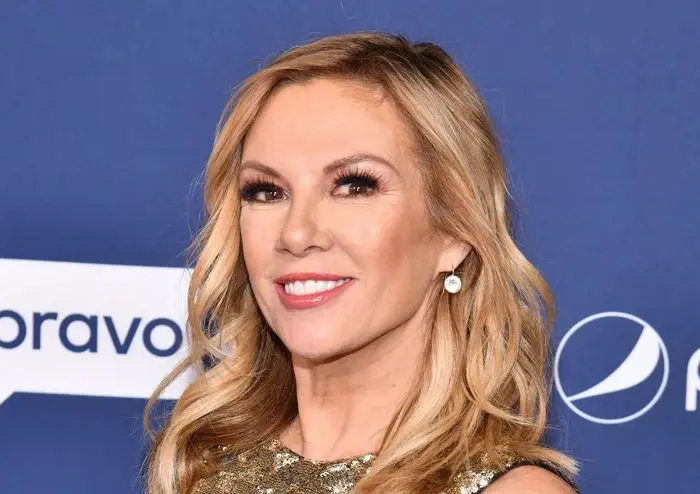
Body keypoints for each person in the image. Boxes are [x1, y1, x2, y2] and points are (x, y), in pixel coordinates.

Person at [143, 32, 579, 494]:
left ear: (454, 230)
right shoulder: (201, 467)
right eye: (266, 192)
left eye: (354, 186)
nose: (296, 234)